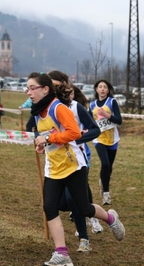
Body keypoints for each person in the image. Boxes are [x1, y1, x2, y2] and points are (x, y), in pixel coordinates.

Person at [28, 72, 125, 266]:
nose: (28, 92)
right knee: (49, 207)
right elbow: (47, 134)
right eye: (27, 88)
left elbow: (73, 132)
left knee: (83, 208)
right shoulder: (38, 111)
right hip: (53, 167)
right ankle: (62, 253)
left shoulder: (59, 108)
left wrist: (48, 139)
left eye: (32, 88)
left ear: (45, 89)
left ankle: (111, 218)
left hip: (73, 165)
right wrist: (42, 144)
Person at [48, 70, 103, 253]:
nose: (52, 88)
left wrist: (74, 140)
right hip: (56, 162)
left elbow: (95, 130)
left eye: (55, 85)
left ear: (64, 86)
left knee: (74, 200)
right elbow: (34, 128)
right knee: (62, 204)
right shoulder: (45, 109)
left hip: (78, 159)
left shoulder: (75, 107)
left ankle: (84, 239)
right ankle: (94, 213)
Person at [89, 79, 122, 205]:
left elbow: (119, 120)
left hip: (112, 139)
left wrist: (106, 115)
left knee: (109, 168)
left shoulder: (112, 102)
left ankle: (103, 181)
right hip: (99, 139)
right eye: (100, 87)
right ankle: (106, 194)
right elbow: (89, 121)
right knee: (105, 164)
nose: (102, 89)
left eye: (105, 87)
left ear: (108, 90)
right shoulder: (92, 105)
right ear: (96, 89)